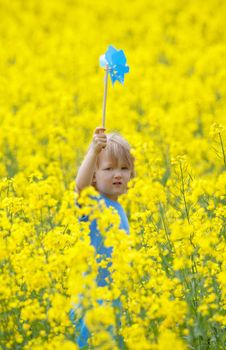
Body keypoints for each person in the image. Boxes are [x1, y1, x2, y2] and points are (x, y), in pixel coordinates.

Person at [72, 126, 135, 348]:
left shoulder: (118, 208)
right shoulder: (93, 204)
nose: (118, 174)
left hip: (111, 299)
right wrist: (93, 152)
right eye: (109, 169)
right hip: (91, 300)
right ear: (95, 178)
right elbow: (80, 187)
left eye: (124, 168)